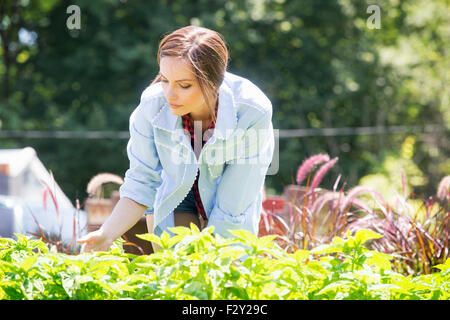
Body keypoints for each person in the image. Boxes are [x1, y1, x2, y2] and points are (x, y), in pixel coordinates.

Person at [77, 25, 274, 253]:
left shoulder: (252, 111)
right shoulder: (152, 105)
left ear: (214, 82)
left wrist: (219, 264)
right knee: (177, 268)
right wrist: (105, 234)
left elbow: (232, 206)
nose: (169, 94)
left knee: (221, 275)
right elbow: (141, 182)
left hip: (229, 196)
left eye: (184, 85)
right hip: (175, 191)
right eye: (164, 79)